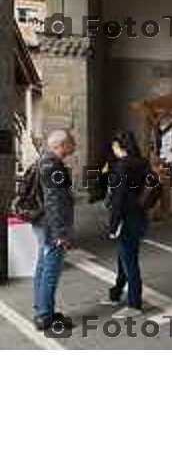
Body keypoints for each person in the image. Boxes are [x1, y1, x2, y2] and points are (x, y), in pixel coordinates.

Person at [32, 130, 76, 331]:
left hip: (43, 222)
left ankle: (42, 309)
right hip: (51, 225)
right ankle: (45, 316)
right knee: (50, 270)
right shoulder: (53, 167)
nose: (74, 147)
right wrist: (61, 234)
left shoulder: (43, 161)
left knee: (42, 267)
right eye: (71, 143)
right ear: (62, 145)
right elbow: (55, 202)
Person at [106, 131, 150, 317]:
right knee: (124, 256)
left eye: (114, 146)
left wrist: (113, 224)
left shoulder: (122, 166)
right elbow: (157, 186)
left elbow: (119, 198)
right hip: (138, 215)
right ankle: (116, 293)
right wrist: (144, 204)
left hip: (126, 217)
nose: (112, 149)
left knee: (129, 260)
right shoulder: (142, 163)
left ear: (119, 146)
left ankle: (134, 304)